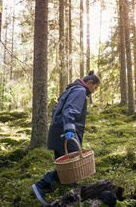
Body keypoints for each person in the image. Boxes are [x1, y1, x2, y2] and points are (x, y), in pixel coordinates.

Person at [32, 71, 100, 205]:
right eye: (95, 87)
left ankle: (69, 195)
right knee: (72, 166)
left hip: (58, 132)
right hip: (66, 133)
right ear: (90, 83)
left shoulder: (71, 89)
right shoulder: (80, 91)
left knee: (67, 169)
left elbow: (58, 110)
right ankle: (42, 184)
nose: (94, 91)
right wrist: (69, 129)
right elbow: (70, 110)